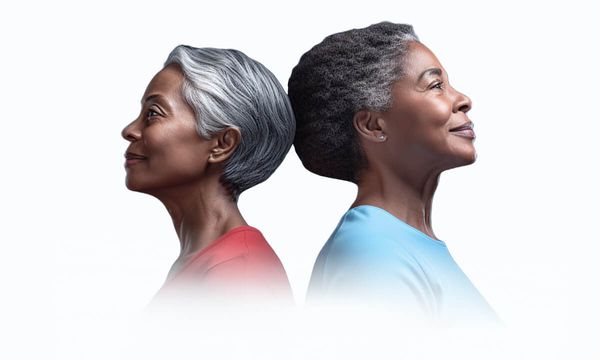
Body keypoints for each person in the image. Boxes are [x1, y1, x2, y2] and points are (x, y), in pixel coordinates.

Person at [288, 22, 499, 324]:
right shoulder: (370, 255)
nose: (463, 99)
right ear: (373, 126)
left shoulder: (398, 244)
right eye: (435, 85)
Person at [122, 45, 295, 306]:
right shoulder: (211, 262)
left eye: (153, 114)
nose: (130, 130)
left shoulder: (239, 274)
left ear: (222, 144)